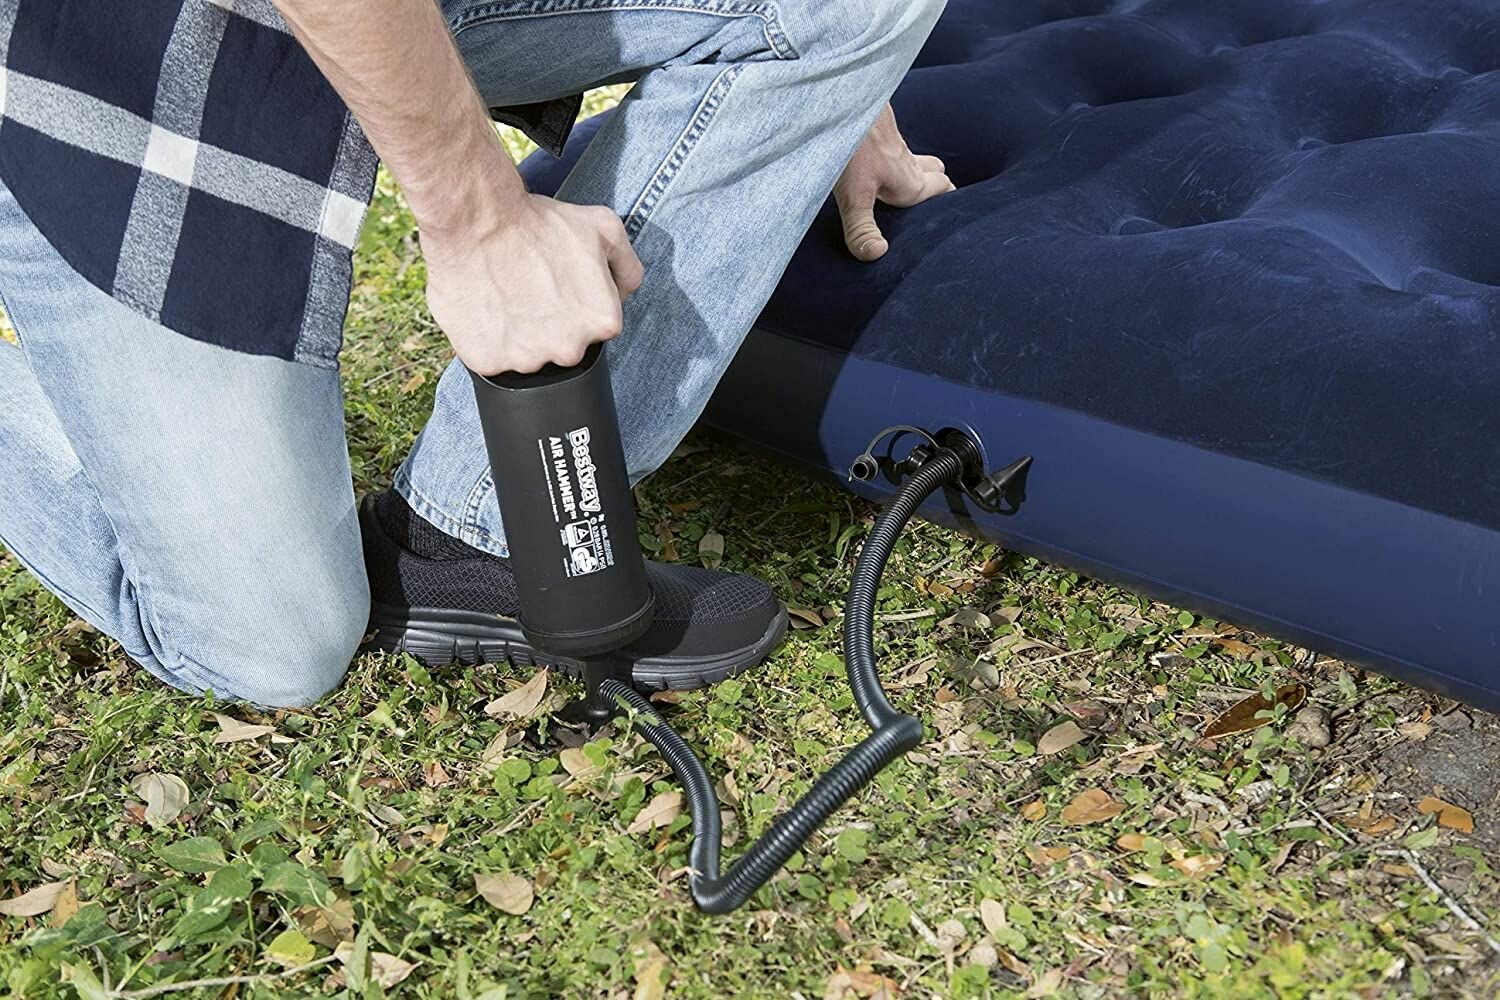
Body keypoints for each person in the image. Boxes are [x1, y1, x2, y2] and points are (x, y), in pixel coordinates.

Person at [0, 0, 953, 707]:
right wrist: (479, 220)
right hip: (92, 58)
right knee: (275, 646)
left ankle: (472, 533)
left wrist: (838, 88)